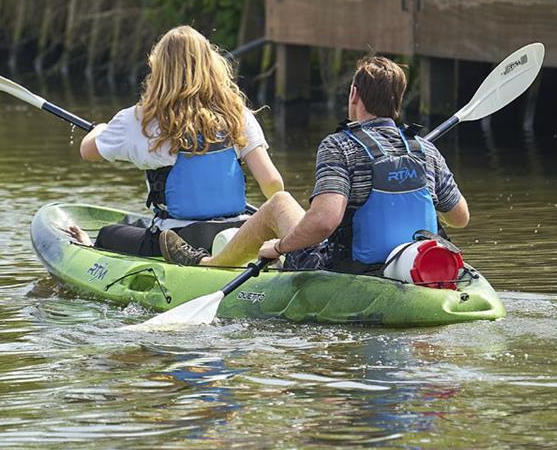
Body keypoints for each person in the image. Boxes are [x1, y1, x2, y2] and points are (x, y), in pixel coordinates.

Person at [161, 55, 468, 273]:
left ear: (354, 95)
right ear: (399, 100)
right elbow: (459, 217)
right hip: (413, 263)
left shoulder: (340, 146)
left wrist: (279, 247)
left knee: (279, 202)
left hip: (346, 269)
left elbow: (324, 222)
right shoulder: (425, 149)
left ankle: (208, 264)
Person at [75, 25, 283, 256]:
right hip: (239, 233)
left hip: (176, 239)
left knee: (107, 234)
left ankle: (89, 248)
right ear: (211, 64)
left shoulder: (138, 119)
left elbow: (88, 151)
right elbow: (273, 182)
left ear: (159, 69)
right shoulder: (236, 114)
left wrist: (100, 129)